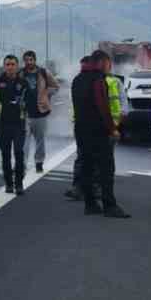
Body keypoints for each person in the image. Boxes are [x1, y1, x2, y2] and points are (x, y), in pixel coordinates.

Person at [71, 50, 130, 218]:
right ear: (102, 62)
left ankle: (90, 204)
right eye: (107, 63)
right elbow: (103, 107)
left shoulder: (77, 80)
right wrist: (112, 129)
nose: (109, 66)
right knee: (106, 168)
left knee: (87, 167)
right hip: (98, 131)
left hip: (81, 130)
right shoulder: (98, 81)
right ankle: (109, 205)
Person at [0, 54, 32, 194]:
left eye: (12, 64)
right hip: (2, 123)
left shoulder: (23, 83)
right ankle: (9, 184)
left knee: (19, 152)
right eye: (7, 64)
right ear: (4, 66)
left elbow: (31, 100)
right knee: (5, 154)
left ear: (17, 66)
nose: (10, 67)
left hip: (19, 124)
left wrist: (25, 106)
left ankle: (19, 184)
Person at [19, 51, 59, 172]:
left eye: (31, 59)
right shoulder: (20, 74)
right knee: (23, 142)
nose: (29, 62)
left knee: (40, 141)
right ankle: (22, 164)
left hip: (41, 112)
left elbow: (55, 86)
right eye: (26, 60)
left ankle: (39, 162)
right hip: (25, 113)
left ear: (35, 60)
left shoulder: (43, 72)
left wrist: (46, 94)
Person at [64, 55, 92, 202]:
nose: (82, 68)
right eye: (82, 65)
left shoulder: (100, 80)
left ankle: (94, 188)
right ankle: (78, 188)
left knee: (95, 159)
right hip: (82, 126)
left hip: (95, 127)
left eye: (85, 65)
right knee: (81, 157)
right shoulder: (78, 80)